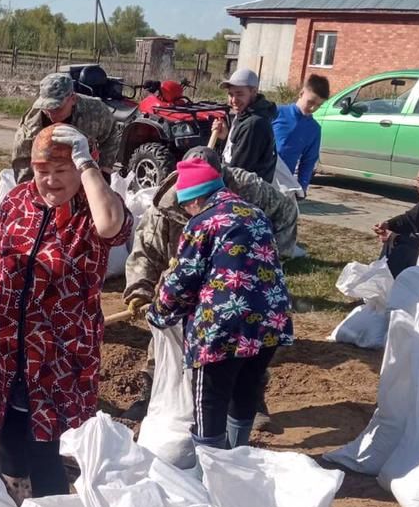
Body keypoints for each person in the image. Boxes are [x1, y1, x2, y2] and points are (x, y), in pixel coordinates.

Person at [0, 124, 130, 500]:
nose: (51, 181)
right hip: (6, 349)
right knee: (7, 435)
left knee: (44, 450)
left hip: (58, 358)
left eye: (62, 171)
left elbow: (111, 227)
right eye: (43, 171)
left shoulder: (93, 208)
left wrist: (87, 164)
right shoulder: (17, 201)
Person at [122, 146, 297, 420]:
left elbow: (287, 211)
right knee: (166, 339)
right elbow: (146, 251)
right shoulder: (166, 205)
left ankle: (245, 404)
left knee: (237, 349)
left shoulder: (247, 188)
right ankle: (152, 395)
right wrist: (141, 292)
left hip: (237, 285)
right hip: (186, 271)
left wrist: (274, 256)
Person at [11, 72, 123, 182]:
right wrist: (29, 186)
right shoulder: (32, 122)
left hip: (82, 172)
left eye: (57, 108)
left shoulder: (95, 111)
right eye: (46, 109)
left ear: (73, 99)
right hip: (47, 173)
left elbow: (112, 135)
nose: (51, 115)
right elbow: (22, 160)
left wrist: (105, 167)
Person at [207, 67, 278, 182]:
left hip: (247, 193)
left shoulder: (254, 124)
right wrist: (226, 137)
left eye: (239, 94)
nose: (233, 100)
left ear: (254, 92)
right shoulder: (244, 115)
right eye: (230, 94)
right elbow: (236, 153)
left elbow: (238, 172)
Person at [273, 73, 330, 196]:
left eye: (319, 105)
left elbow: (308, 161)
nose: (313, 108)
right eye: (311, 102)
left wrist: (302, 187)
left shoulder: (314, 129)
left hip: (284, 184)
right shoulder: (276, 113)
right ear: (301, 93)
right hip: (260, 177)